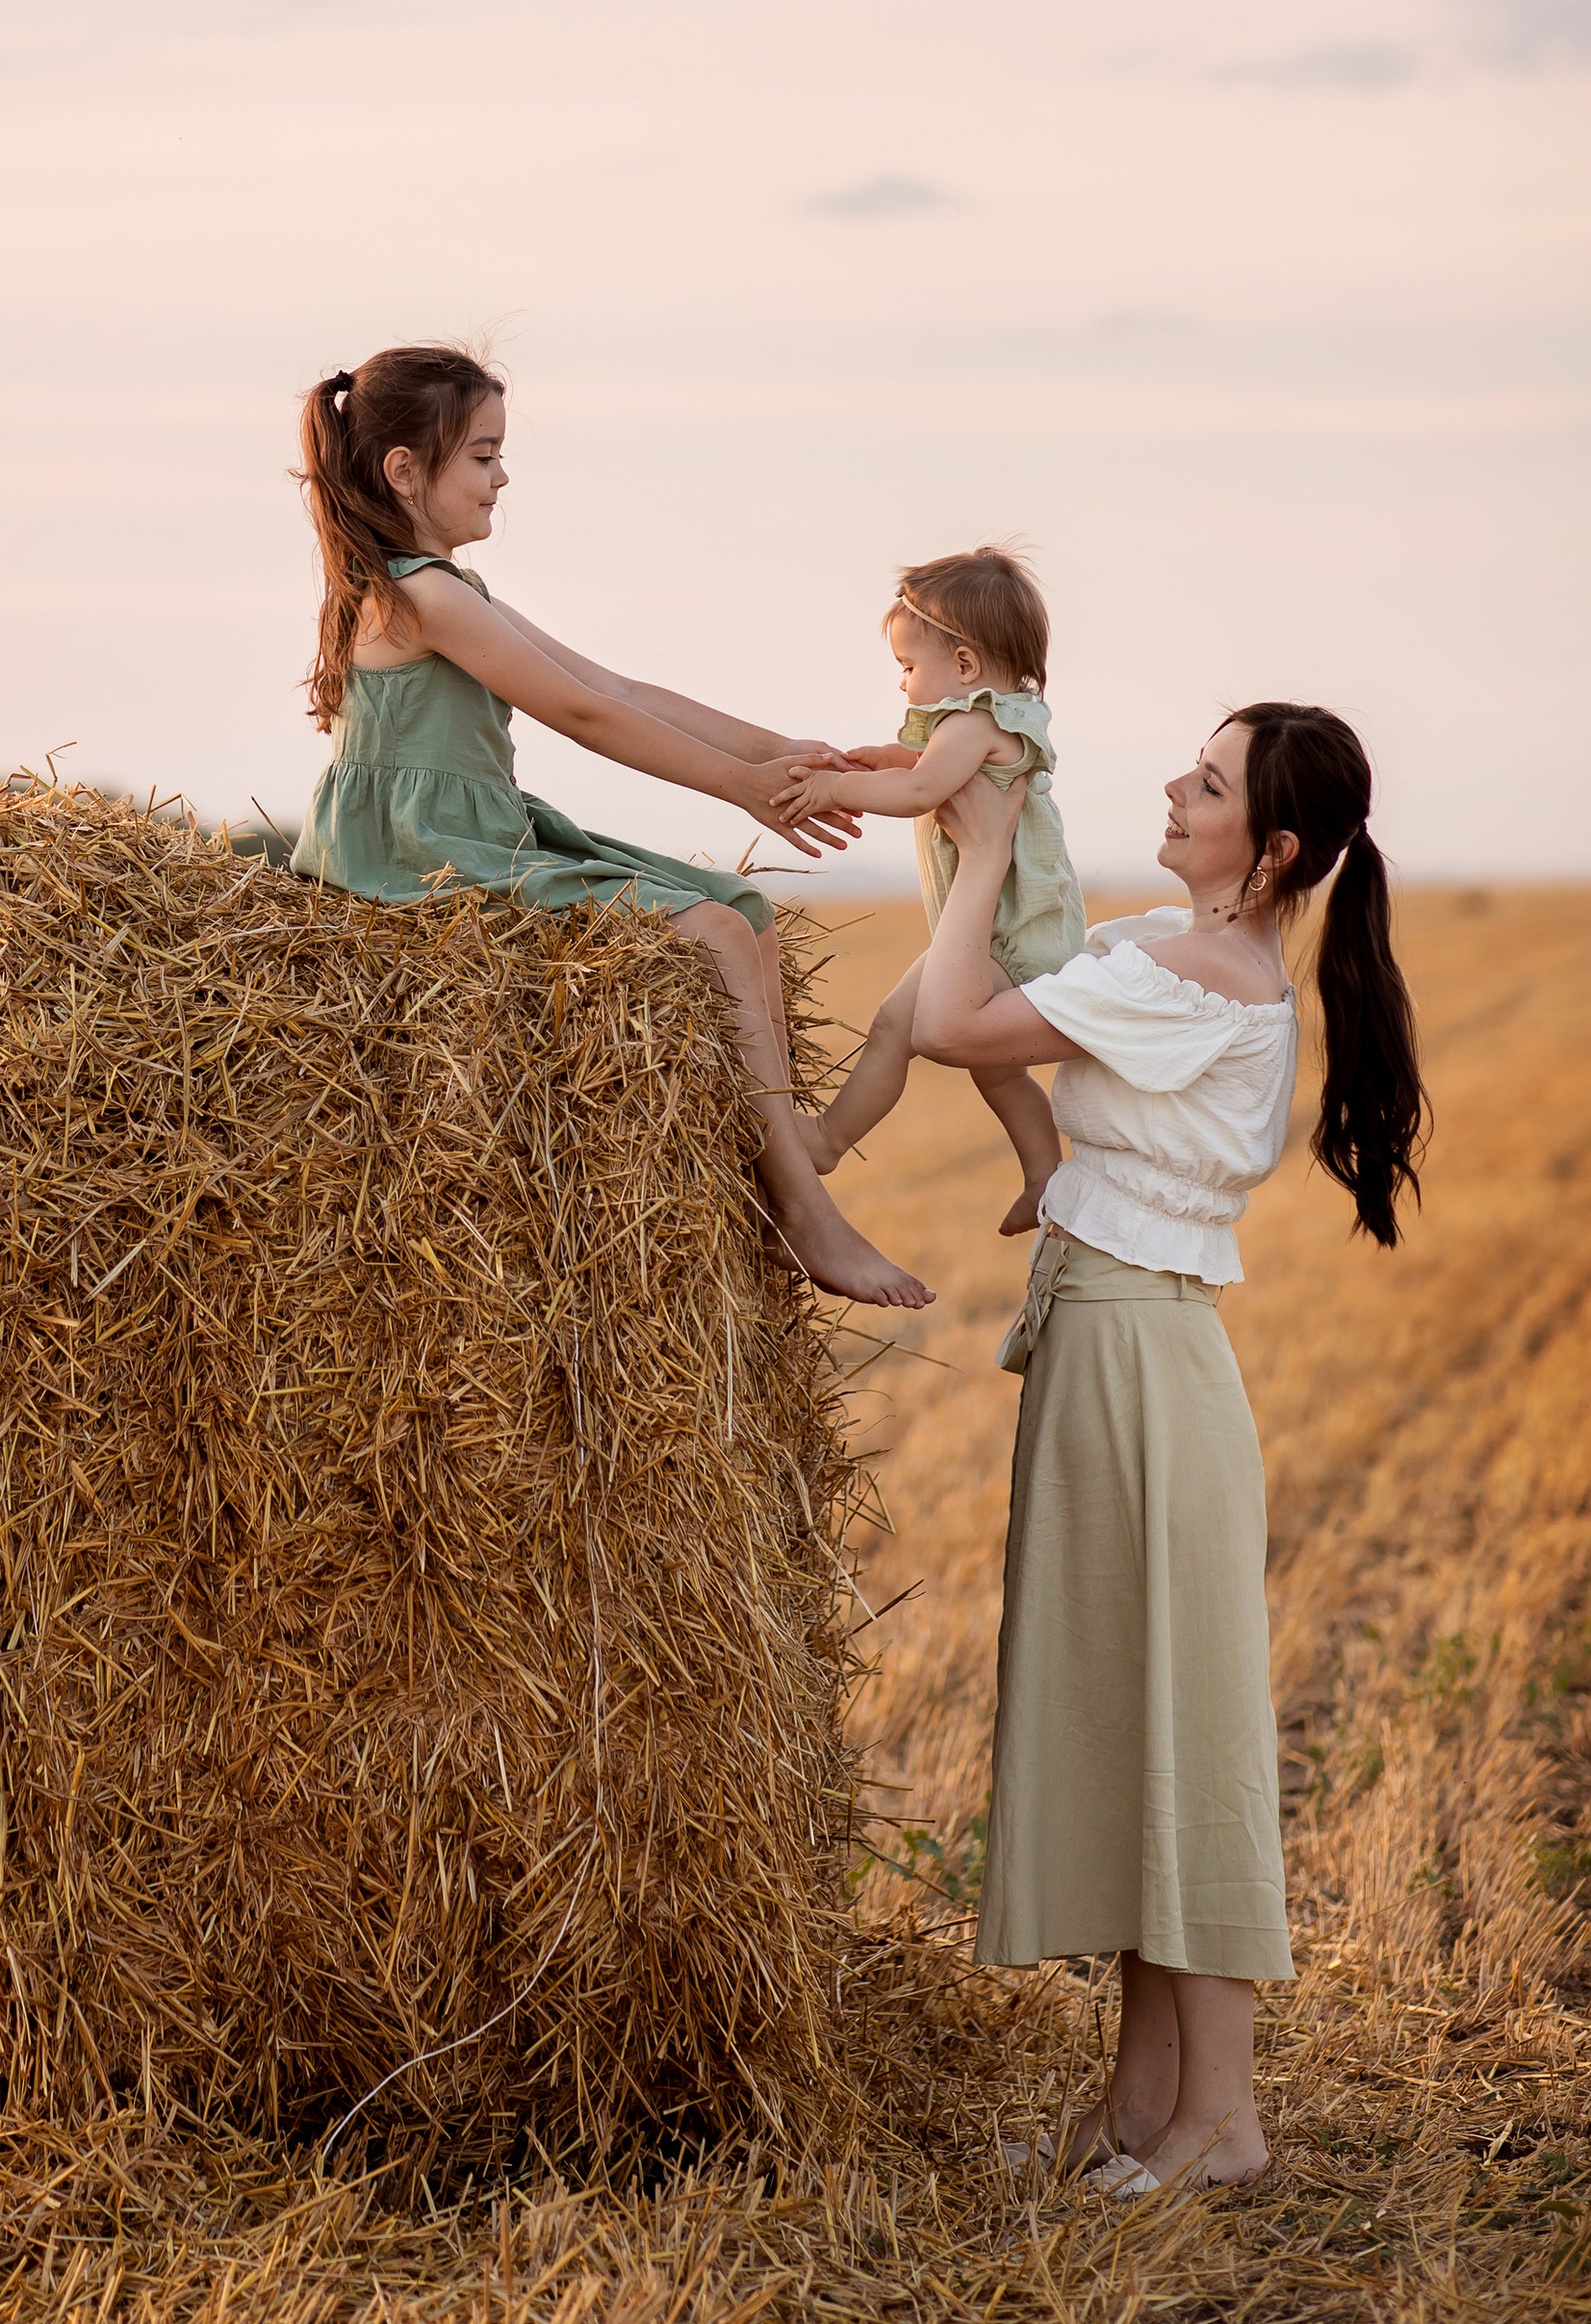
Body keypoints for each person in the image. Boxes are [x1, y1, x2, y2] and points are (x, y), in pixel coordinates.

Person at [913, 702, 1427, 2194]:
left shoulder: (1199, 971)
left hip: (1142, 1357)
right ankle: (1143, 2109)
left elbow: (951, 1024)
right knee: (1134, 1718)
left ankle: (1225, 2123)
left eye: (1206, 784)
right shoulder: (1176, 948)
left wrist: (986, 847)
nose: (1172, 789)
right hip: (1114, 1343)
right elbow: (985, 995)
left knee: (1183, 1738)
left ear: (1271, 850)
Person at [288, 346, 933, 1311]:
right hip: (418, 851)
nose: (502, 478)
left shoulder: (448, 590)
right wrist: (741, 787)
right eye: (483, 456)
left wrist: (783, 752)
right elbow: (581, 714)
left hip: (480, 828)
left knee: (744, 913)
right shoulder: (418, 598)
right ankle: (806, 1214)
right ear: (404, 470)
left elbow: (615, 686)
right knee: (714, 934)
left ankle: (780, 1157)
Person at [787, 550, 1088, 1234]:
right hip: (1019, 936)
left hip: (1006, 939)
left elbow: (923, 790)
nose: (901, 682)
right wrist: (891, 761)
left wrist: (833, 788)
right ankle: (1044, 1176)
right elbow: (932, 773)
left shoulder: (973, 724)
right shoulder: (996, 722)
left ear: (964, 665)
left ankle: (829, 1139)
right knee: (994, 1070)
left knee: (897, 1026)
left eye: (907, 666)